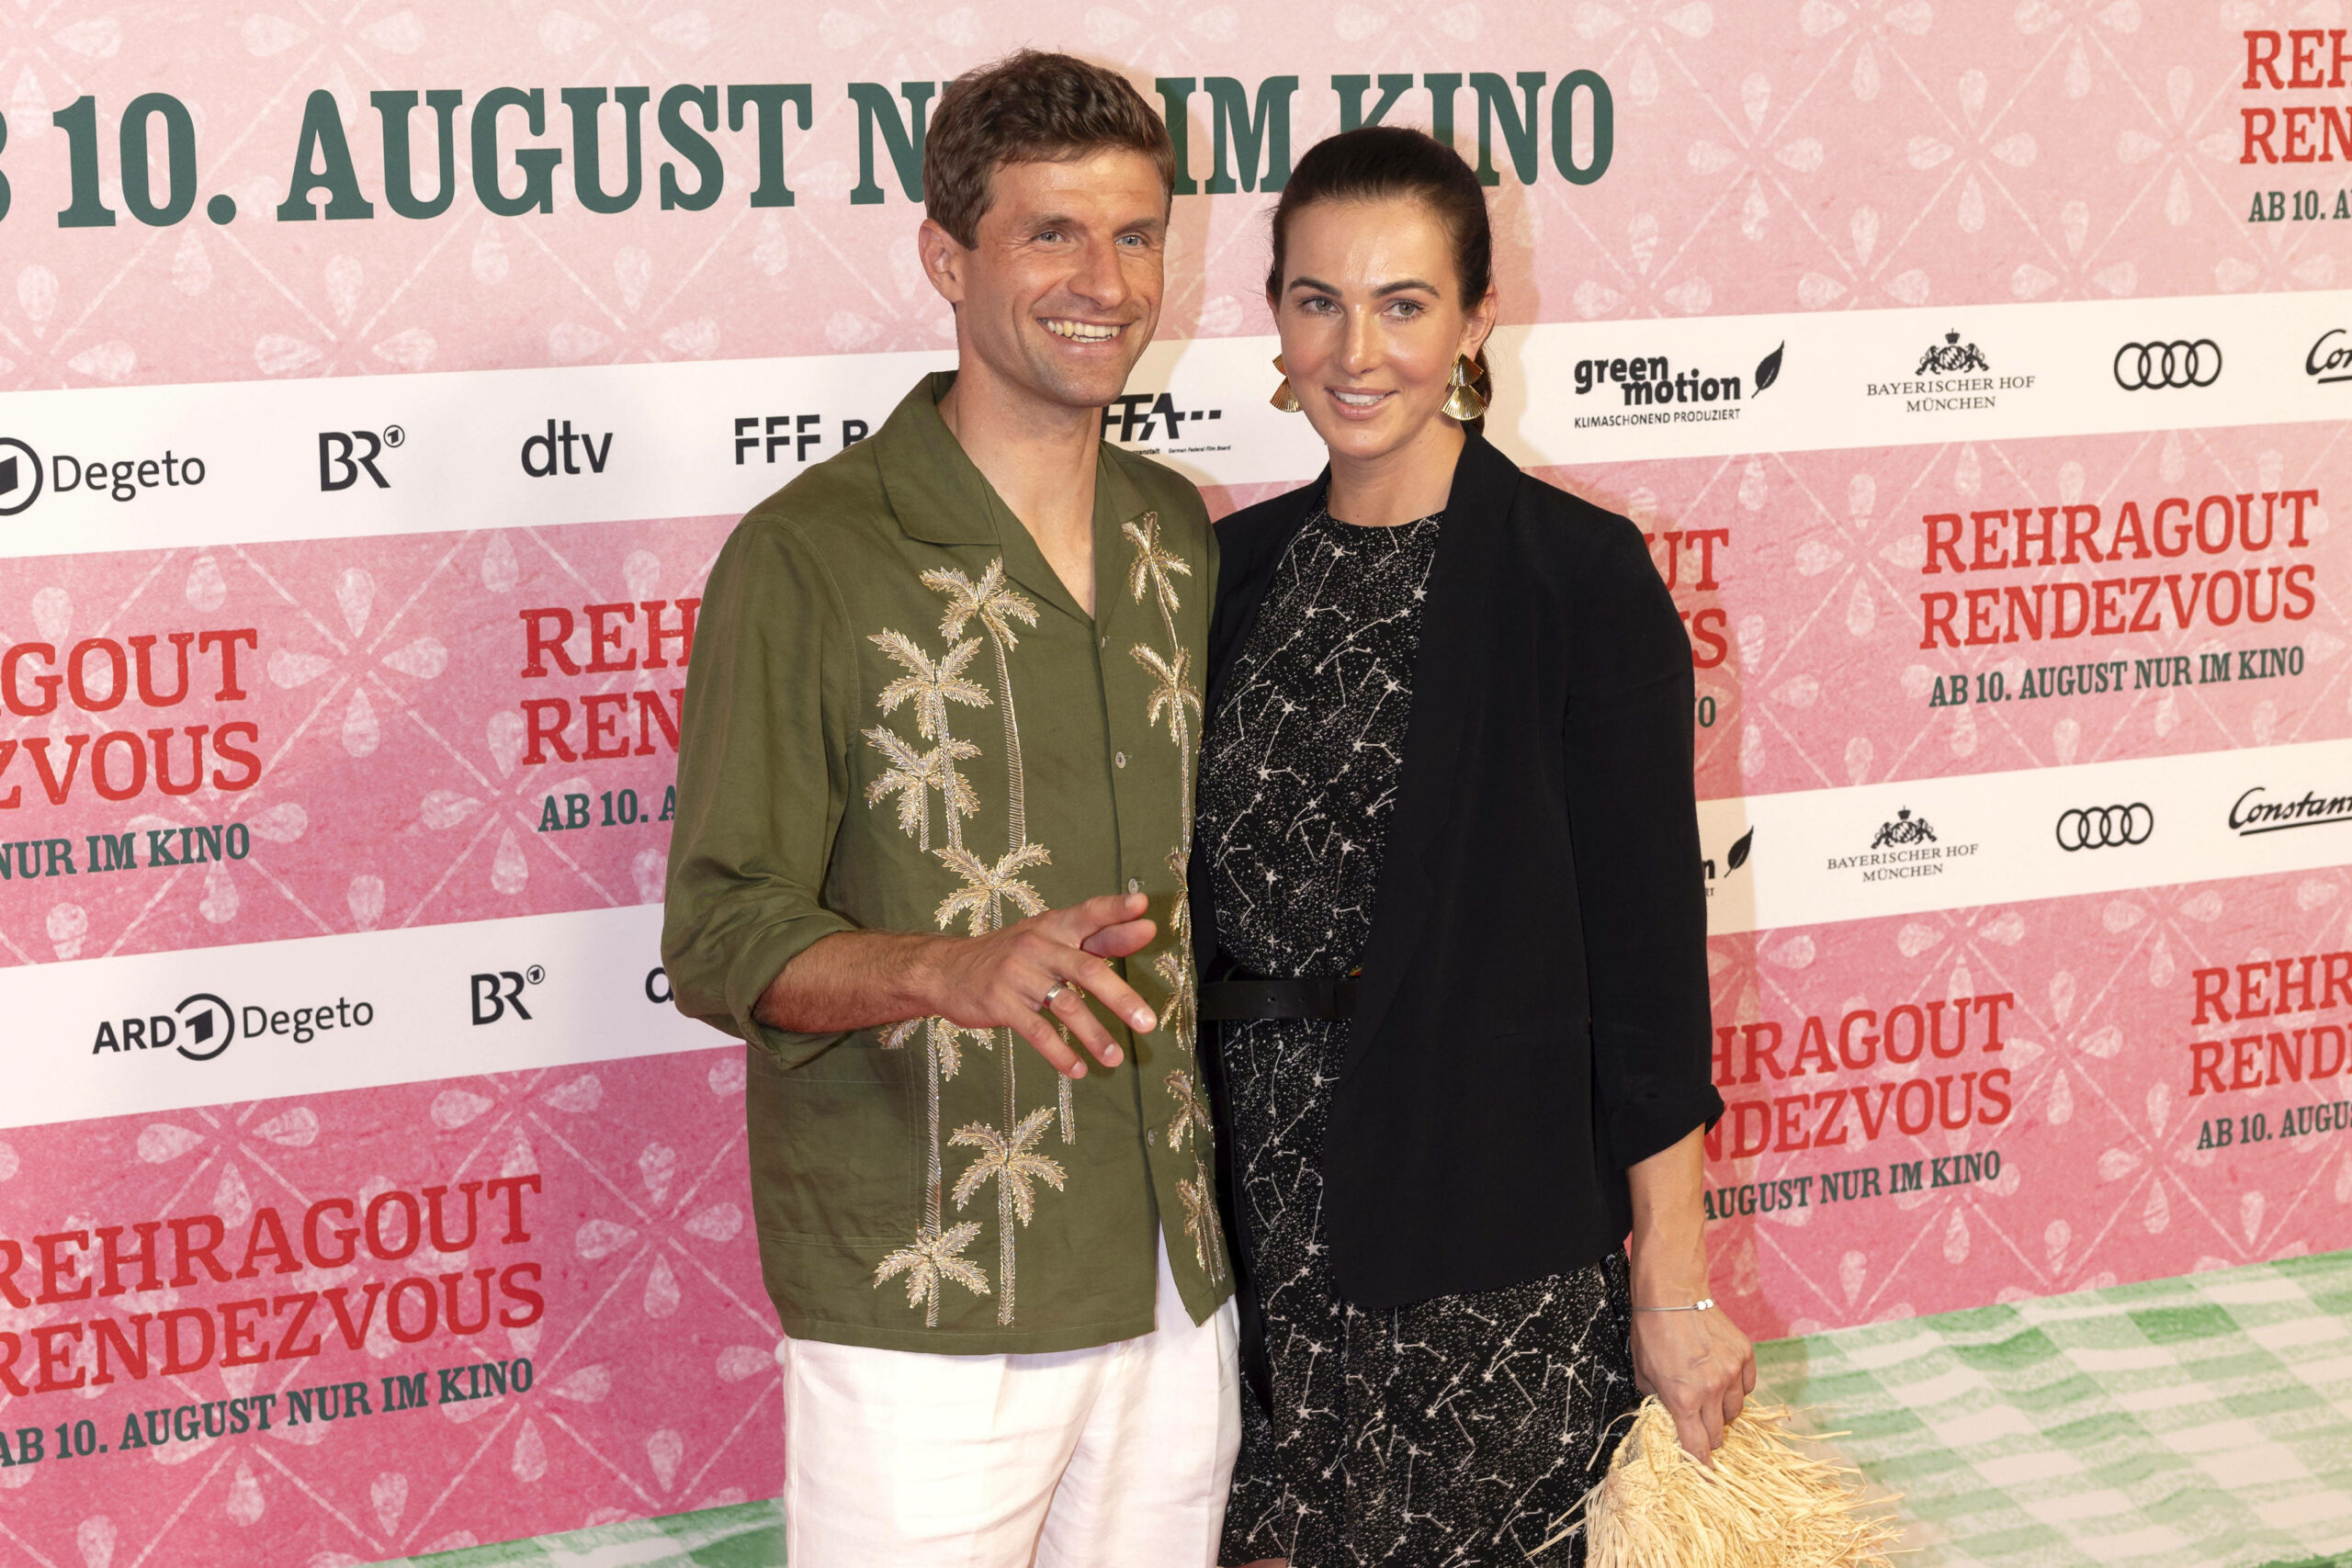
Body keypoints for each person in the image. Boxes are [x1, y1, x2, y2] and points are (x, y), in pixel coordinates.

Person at [662, 51, 1238, 1568]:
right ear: (946, 256)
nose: (1104, 281)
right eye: (1050, 232)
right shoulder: (810, 557)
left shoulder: (1180, 532)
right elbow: (721, 929)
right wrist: (945, 966)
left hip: (1175, 1279)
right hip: (929, 1304)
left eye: (1135, 234)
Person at [1192, 126, 1753, 1568]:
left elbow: (1646, 966)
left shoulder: (1576, 574)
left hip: (1488, 1233)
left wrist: (1672, 1290)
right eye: (1318, 300)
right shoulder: (1227, 578)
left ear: (1477, 318)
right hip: (1258, 1237)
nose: (1356, 349)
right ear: (1274, 316)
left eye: (1404, 303)